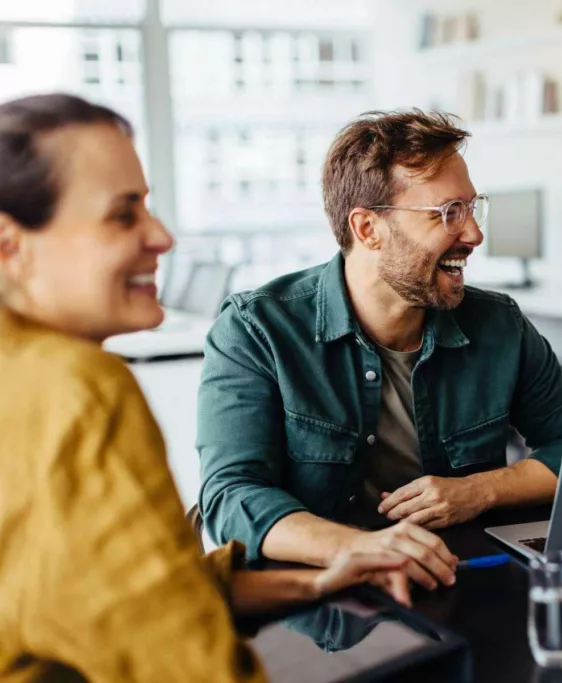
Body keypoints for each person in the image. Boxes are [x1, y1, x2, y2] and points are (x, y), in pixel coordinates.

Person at [0, 93, 411, 681]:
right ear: (11, 245)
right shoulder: (79, 388)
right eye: (123, 214)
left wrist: (314, 579)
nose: (162, 236)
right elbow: (190, 666)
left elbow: (98, 593)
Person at [197, 109, 562, 590]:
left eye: (473, 208)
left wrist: (480, 490)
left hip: (461, 589)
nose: (474, 234)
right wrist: (357, 547)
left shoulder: (499, 324)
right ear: (368, 229)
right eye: (450, 212)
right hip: (317, 609)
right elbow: (230, 496)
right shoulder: (255, 329)